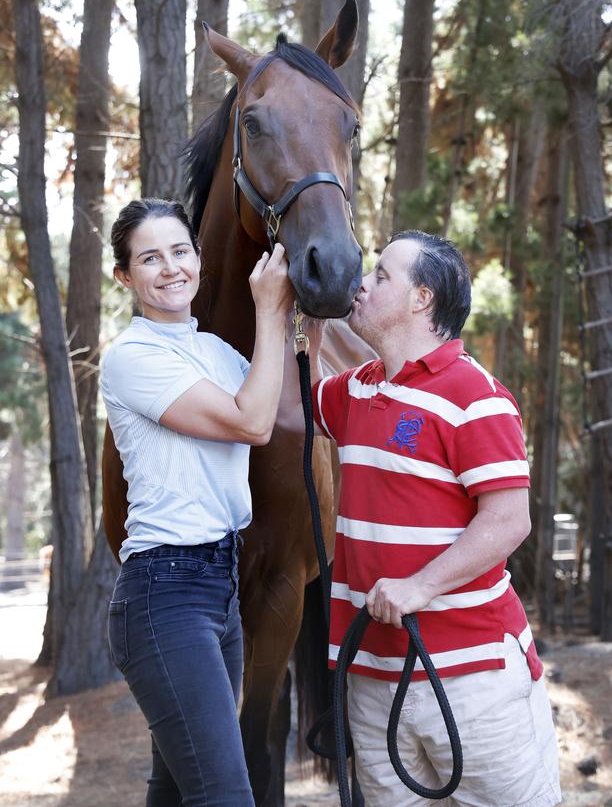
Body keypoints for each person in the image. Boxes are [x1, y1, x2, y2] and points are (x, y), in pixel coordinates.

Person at [278, 230, 561, 807]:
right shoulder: (359, 389)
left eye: (381, 275)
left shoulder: (475, 395)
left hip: (471, 675)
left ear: (421, 299)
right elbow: (297, 405)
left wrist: (419, 586)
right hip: (372, 677)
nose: (363, 283)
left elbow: (509, 521)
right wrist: (315, 322)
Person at [101, 198, 293, 807]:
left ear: (199, 260)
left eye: (180, 251)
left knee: (178, 790)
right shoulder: (133, 358)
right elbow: (254, 422)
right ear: (125, 277)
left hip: (219, 593)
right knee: (225, 795)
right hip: (164, 597)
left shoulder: (213, 353)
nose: (170, 268)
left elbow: (286, 406)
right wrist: (268, 308)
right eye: (149, 258)